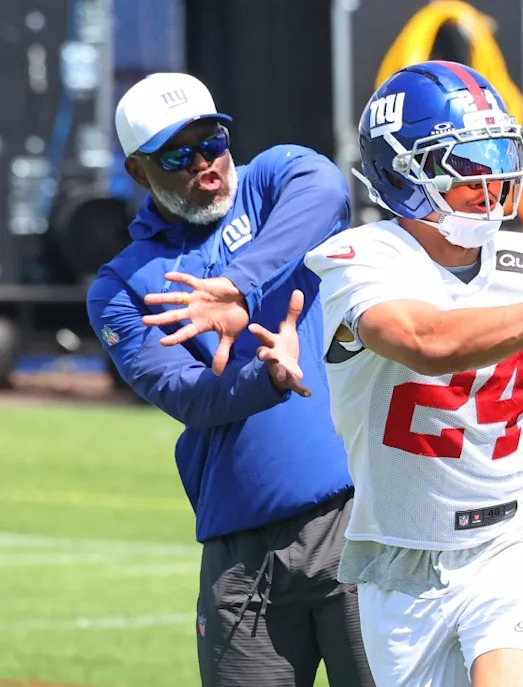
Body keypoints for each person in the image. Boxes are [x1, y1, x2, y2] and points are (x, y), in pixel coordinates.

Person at [147, 61, 523, 687]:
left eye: (497, 156)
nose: (492, 181)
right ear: (405, 171)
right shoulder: (360, 256)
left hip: (507, 546)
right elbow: (424, 341)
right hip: (398, 567)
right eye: (468, 162)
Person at [86, 72, 373, 687]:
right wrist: (264, 377)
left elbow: (327, 191)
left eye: (211, 141)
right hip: (241, 559)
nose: (205, 164)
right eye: (177, 154)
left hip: (360, 525)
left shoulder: (272, 179)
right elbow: (186, 394)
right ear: (139, 173)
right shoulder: (119, 285)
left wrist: (242, 282)